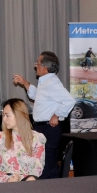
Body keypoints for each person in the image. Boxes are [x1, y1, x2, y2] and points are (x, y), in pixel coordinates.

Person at [13, 51, 75, 179]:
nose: (35, 65)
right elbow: (37, 96)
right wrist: (24, 82)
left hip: (48, 128)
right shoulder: (45, 82)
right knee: (41, 162)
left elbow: (69, 100)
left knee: (47, 164)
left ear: (44, 68)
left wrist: (56, 115)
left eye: (37, 63)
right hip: (42, 128)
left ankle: (52, 189)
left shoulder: (52, 83)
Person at [0, 98, 46, 182]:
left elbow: (38, 168)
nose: (4, 119)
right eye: (3, 115)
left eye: (7, 115)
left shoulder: (37, 138)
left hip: (28, 182)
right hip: (8, 182)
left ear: (18, 115)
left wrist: (20, 180)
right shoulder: (0, 137)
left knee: (31, 180)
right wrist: (8, 179)